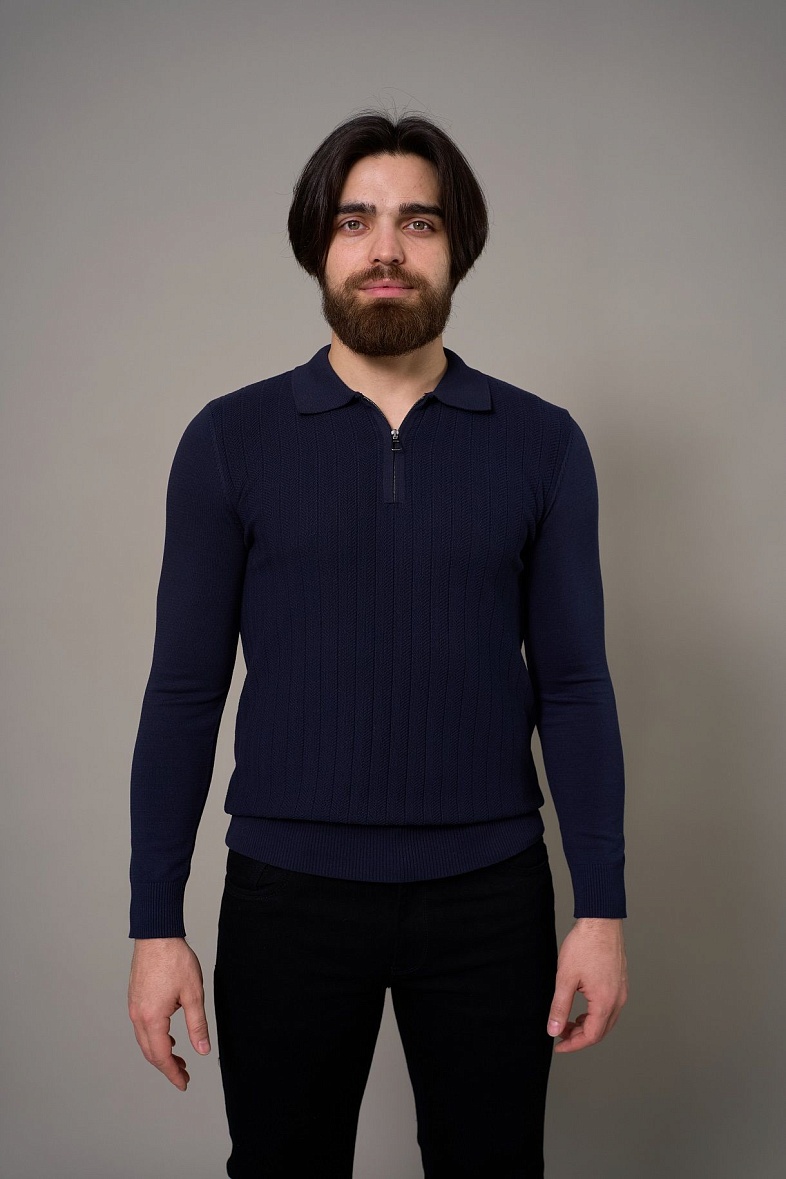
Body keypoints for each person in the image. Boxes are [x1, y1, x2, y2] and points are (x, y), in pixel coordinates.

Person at [127, 109, 628, 1178]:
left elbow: (576, 687)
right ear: (319, 245)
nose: (386, 249)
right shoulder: (230, 440)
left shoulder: (542, 443)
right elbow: (183, 693)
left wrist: (602, 907)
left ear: (458, 247)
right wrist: (155, 923)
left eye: (419, 222)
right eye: (355, 222)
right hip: (285, 893)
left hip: (491, 894)